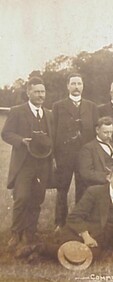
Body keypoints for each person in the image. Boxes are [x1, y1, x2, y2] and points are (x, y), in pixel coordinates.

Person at [15, 165, 113, 262]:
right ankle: (40, 248)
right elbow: (74, 217)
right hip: (80, 232)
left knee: (91, 256)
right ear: (109, 178)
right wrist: (86, 236)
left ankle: (41, 255)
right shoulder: (94, 192)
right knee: (81, 253)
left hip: (102, 237)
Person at [1, 77, 54, 252]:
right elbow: (6, 133)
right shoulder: (17, 111)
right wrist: (21, 140)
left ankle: (30, 232)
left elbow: (51, 139)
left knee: (37, 199)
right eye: (37, 91)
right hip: (24, 164)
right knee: (22, 197)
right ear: (29, 92)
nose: (40, 95)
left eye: (43, 92)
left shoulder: (49, 113)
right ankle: (16, 232)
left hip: (43, 164)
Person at [52, 73, 99, 230]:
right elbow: (53, 132)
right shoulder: (58, 106)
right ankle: (60, 222)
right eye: (73, 83)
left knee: (83, 189)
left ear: (83, 86)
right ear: (68, 86)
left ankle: (78, 222)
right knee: (62, 188)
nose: (76, 87)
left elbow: (96, 131)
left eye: (79, 83)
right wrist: (54, 155)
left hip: (84, 156)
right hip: (64, 155)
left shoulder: (91, 106)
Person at [78, 116, 113, 188]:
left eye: (111, 132)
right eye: (105, 132)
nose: (109, 135)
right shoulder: (88, 148)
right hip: (101, 184)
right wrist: (106, 177)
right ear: (97, 130)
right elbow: (86, 173)